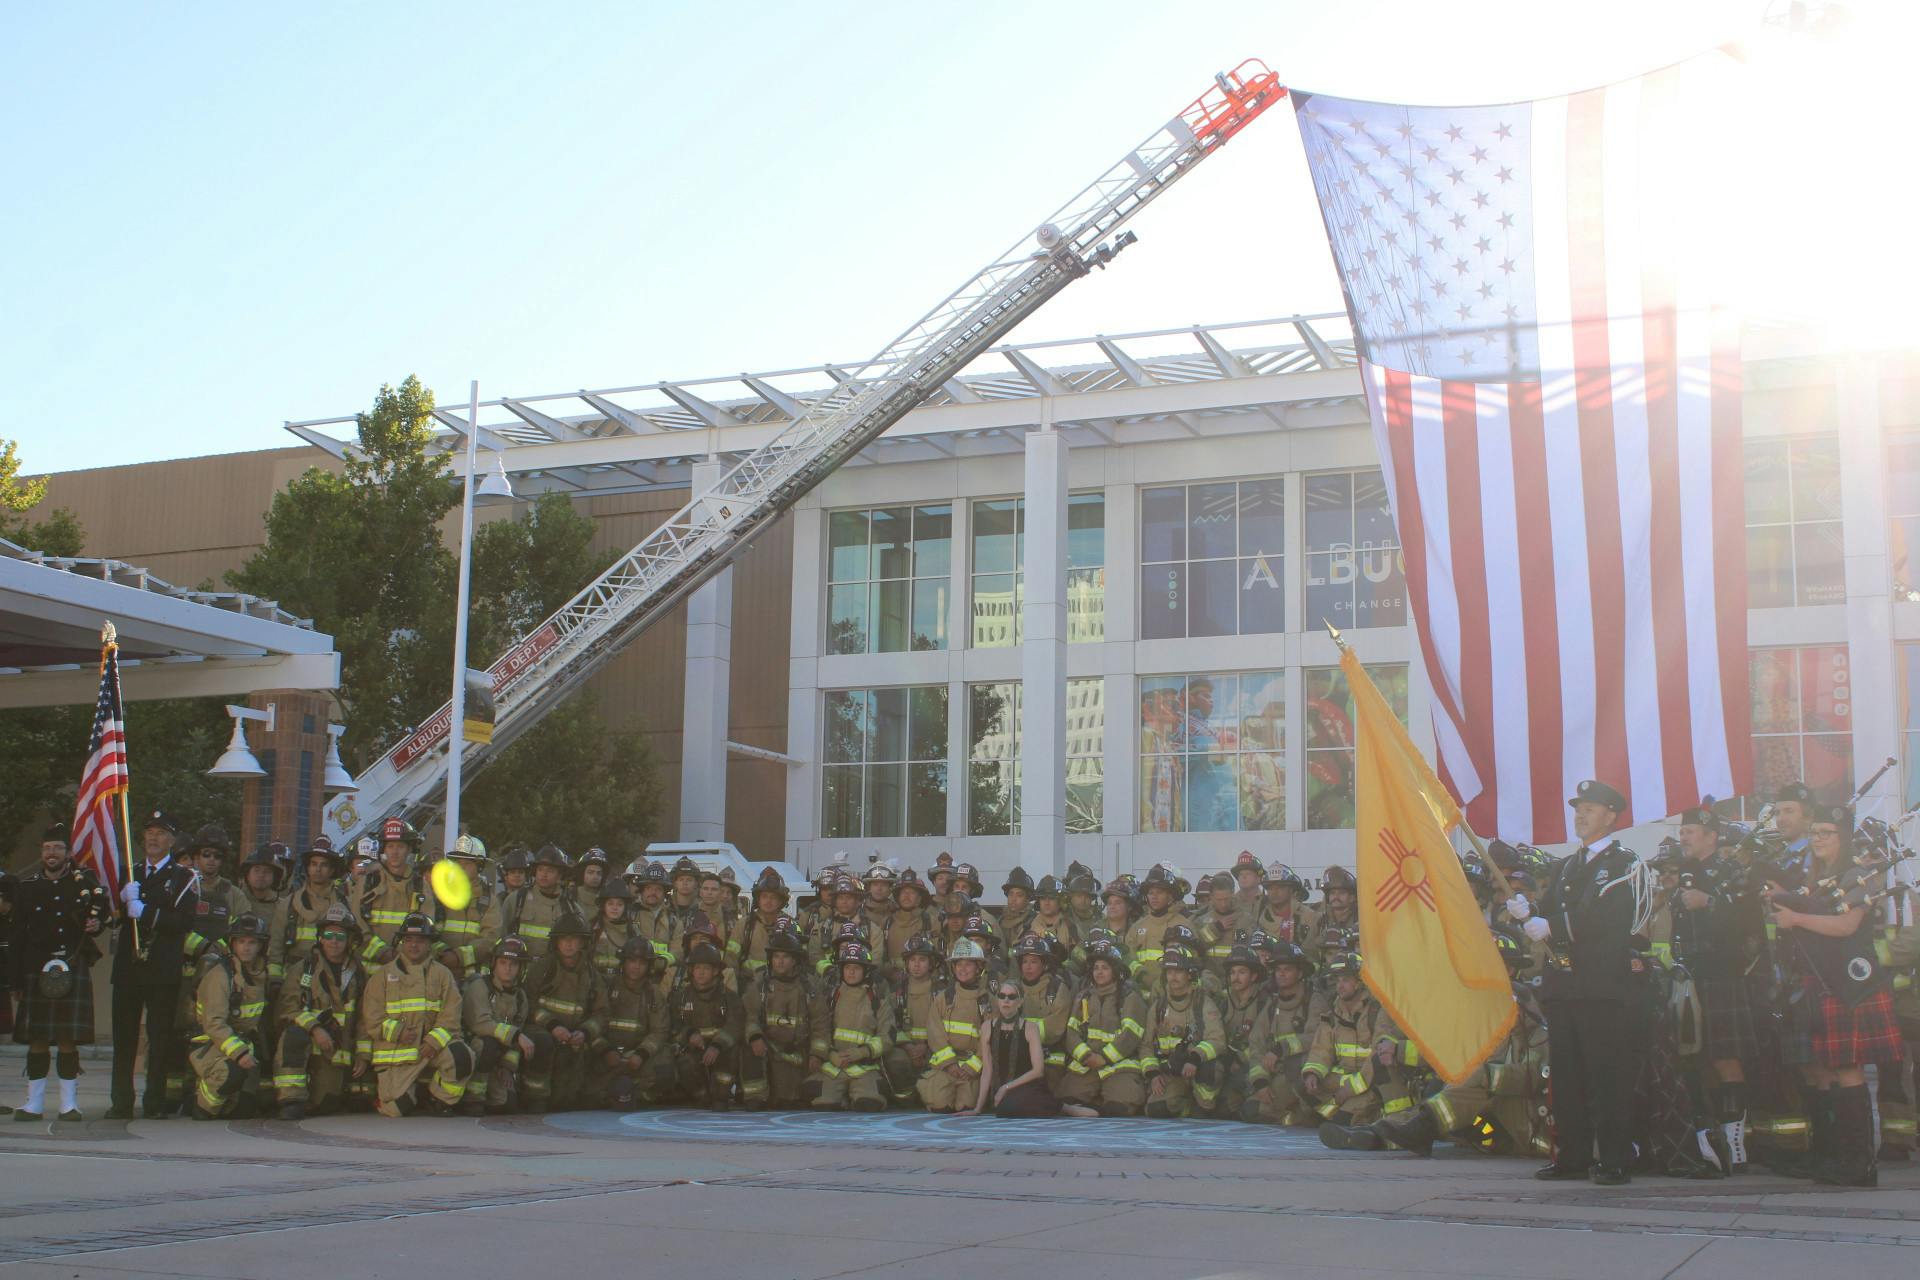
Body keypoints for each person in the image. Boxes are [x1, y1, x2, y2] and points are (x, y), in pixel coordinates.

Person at [1509, 778, 1650, 1185]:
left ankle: (1614, 1158)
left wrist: (1549, 925)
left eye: (1589, 809)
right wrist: (1527, 908)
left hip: (1603, 987)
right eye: (1578, 809)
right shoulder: (1569, 865)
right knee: (1567, 1076)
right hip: (1567, 986)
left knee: (1607, 1075)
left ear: (1610, 815)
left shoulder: (1625, 865)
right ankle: (1570, 1153)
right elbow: (1553, 907)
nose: (1581, 815)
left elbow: (1608, 920)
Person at [1768, 805, 1901, 1187]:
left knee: (1847, 1069)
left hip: (1850, 984)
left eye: (1828, 832)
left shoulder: (1857, 874)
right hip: (1823, 982)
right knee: (1828, 1070)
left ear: (1843, 838)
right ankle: (1840, 1157)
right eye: (1817, 831)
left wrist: (1796, 918)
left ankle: (1860, 1164)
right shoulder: (1820, 876)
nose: (1820, 838)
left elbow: (1846, 925)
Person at [10, 823, 111, 1122]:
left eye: (57, 848)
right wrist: (16, 980)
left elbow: (101, 911)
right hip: (36, 970)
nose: (51, 853)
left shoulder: (83, 883)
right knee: (38, 1038)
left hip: (72, 963)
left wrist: (98, 924)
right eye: (47, 848)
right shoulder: (27, 888)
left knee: (67, 1038)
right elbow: (17, 938)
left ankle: (69, 1104)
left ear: (68, 853)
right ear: (42, 853)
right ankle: (34, 1104)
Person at [108, 809, 200, 1120]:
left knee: (159, 1037)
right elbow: (113, 919)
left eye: (160, 832)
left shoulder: (184, 878)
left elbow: (182, 921)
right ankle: (120, 1102)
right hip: (128, 968)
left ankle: (154, 1101)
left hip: (161, 969)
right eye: (149, 831)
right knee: (124, 1038)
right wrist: (121, 904)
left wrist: (144, 912)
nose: (153, 837)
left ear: (172, 840)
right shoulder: (130, 873)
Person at [360, 912, 472, 1117]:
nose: (414, 945)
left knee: (462, 1057)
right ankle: (414, 1093)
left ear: (430, 944)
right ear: (401, 942)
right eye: (409, 940)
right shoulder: (382, 976)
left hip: (430, 1050)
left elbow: (451, 1015)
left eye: (420, 940)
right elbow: (372, 1018)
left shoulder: (442, 974)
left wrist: (433, 1042)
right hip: (397, 1055)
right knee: (396, 1109)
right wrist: (398, 1033)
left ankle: (439, 1099)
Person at [272, 904, 367, 1119]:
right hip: (307, 1042)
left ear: (349, 941)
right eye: (329, 935)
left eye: (340, 937)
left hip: (335, 1051)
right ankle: (291, 1100)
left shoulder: (358, 973)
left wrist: (363, 1053)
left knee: (326, 1103)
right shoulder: (304, 969)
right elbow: (286, 1009)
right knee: (293, 1036)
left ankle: (314, 1097)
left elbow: (363, 1018)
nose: (334, 941)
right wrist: (314, 1028)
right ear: (321, 938)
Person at [970, 980, 1099, 1118]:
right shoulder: (987, 1027)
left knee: (1011, 1106)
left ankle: (1065, 1108)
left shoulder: (1030, 1028)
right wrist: (977, 1108)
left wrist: (1006, 1087)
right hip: (1001, 1089)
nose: (1006, 1000)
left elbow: (1038, 1071)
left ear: (1020, 1002)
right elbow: (987, 1070)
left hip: (1026, 1085)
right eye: (1002, 996)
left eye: (1012, 997)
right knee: (1005, 1108)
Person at [187, 912, 272, 1120]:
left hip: (241, 1043)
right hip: (210, 1045)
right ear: (232, 944)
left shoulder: (261, 974)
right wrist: (240, 1054)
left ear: (261, 946)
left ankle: (227, 1101)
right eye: (241, 941)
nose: (246, 947)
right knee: (230, 1073)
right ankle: (203, 1106)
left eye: (252, 942)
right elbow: (214, 1024)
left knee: (246, 1110)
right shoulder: (220, 975)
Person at [522, 907, 605, 1112]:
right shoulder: (543, 969)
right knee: (542, 1043)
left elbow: (602, 1013)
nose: (569, 944)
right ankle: (535, 1097)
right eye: (564, 939)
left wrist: (584, 1032)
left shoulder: (592, 976)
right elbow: (526, 1002)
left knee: (566, 1102)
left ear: (583, 942)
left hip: (575, 1037)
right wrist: (552, 1025)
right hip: (542, 1030)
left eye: (574, 939)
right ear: (556, 942)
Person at [1058, 940, 1148, 1116]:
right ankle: (1096, 1099)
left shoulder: (1129, 997)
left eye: (1105, 967)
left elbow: (1130, 1034)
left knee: (1118, 1109)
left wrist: (1105, 1058)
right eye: (1096, 967)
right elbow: (1071, 1032)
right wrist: (1085, 1055)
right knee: (1067, 1101)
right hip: (1087, 1064)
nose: (1099, 972)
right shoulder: (1083, 996)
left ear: (1116, 970)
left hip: (1119, 1066)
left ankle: (1103, 1100)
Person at [459, 936, 543, 1116]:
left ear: (521, 968)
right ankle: (473, 1098)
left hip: (499, 1057)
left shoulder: (520, 997)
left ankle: (493, 1092)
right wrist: (516, 1035)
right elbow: (480, 1024)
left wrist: (507, 1067)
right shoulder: (480, 987)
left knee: (506, 1106)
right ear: (494, 964)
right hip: (476, 1049)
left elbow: (515, 1040)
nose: (508, 968)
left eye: (514, 964)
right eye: (503, 962)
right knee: (487, 1044)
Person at [806, 940, 891, 1112]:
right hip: (834, 1065)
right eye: (847, 967)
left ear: (866, 970)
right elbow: (819, 1030)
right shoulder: (830, 996)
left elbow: (887, 1037)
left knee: (870, 1104)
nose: (851, 972)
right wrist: (830, 1055)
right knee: (823, 1104)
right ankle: (842, 1097)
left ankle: (855, 1095)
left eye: (857, 968)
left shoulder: (877, 999)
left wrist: (861, 1052)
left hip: (864, 1067)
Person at [1141, 947, 1223, 1118]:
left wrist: (1195, 1058)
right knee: (1155, 1110)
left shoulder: (1203, 1003)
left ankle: (1205, 1105)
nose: (1173, 976)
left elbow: (1217, 1039)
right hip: (1172, 1071)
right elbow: (1146, 1046)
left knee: (1211, 1073)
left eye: (1179, 971)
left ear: (1190, 975)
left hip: (1198, 1068)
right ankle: (1185, 1102)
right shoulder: (1158, 1007)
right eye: (1169, 971)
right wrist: (1154, 1074)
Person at [597, 935, 673, 1110]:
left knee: (665, 1068)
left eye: (642, 962)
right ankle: (610, 1093)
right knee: (583, 1093)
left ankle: (635, 1095)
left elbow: (660, 1031)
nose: (636, 966)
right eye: (632, 961)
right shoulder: (606, 988)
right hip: (605, 1055)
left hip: (637, 1057)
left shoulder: (654, 994)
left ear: (649, 967)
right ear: (623, 962)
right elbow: (593, 1022)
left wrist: (641, 1054)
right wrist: (605, 1050)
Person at [741, 927, 813, 1110]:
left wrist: (817, 1055)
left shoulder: (808, 987)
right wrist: (755, 1036)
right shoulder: (760, 986)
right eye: (776, 956)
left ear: (795, 960)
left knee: (787, 1101)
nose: (780, 962)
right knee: (748, 1051)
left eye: (785, 957)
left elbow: (821, 1023)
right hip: (767, 1049)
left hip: (796, 1053)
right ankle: (755, 1097)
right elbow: (750, 1015)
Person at [919, 938, 990, 1113]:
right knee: (940, 1105)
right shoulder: (943, 998)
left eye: (968, 965)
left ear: (979, 968)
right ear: (953, 968)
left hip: (971, 1069)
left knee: (965, 1106)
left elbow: (989, 1040)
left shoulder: (988, 1001)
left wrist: (972, 1067)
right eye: (959, 964)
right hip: (945, 1067)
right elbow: (935, 1034)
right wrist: (950, 1064)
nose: (963, 969)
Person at [671, 941, 743, 1109]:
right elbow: (674, 1025)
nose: (701, 973)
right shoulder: (681, 997)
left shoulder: (729, 997)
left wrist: (717, 1045)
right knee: (684, 1062)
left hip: (721, 1051)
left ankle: (721, 1094)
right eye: (697, 968)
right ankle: (700, 1095)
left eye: (706, 968)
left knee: (731, 1060)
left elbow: (735, 1025)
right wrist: (689, 1035)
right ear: (691, 970)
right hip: (695, 1049)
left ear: (716, 971)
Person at [270, 838, 349, 984]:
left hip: (331, 978)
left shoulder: (344, 905)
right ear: (307, 868)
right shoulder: (289, 905)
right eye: (314, 864)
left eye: (324, 865)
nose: (318, 869)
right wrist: (275, 981)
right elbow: (275, 947)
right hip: (293, 979)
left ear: (332, 870)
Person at [354, 818, 429, 965]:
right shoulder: (368, 882)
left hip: (407, 969)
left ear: (409, 849)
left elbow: (427, 927)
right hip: (370, 972)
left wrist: (403, 956)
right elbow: (357, 925)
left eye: (400, 846)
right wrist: (383, 953)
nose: (395, 852)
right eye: (390, 846)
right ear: (384, 849)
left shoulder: (420, 885)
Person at [485, 844, 575, 959]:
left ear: (559, 875)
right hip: (519, 967)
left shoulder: (570, 907)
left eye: (550, 870)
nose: (544, 874)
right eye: (540, 869)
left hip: (552, 971)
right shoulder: (516, 900)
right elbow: (499, 939)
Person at [433, 835, 493, 982]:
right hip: (442, 976)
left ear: (479, 866)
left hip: (476, 981)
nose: (461, 867)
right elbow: (430, 931)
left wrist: (458, 957)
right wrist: (443, 953)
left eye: (466, 863)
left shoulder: (490, 901)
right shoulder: (440, 895)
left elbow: (490, 939)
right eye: (458, 863)